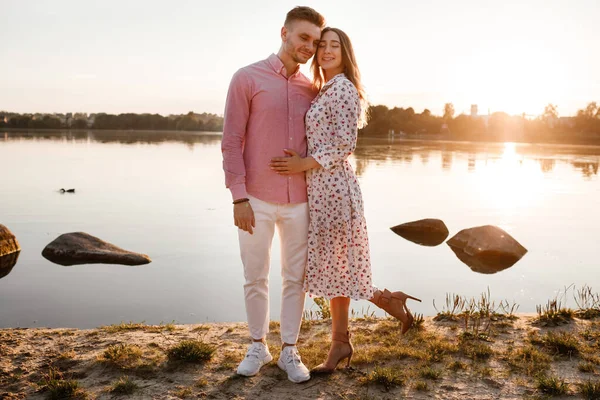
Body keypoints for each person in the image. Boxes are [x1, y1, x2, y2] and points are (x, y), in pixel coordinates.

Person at [269, 27, 421, 373]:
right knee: (336, 267)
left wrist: (302, 163)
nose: (325, 51)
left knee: (338, 266)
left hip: (336, 191)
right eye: (322, 46)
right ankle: (366, 320)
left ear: (345, 53)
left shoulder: (344, 89)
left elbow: (343, 144)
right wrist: (301, 157)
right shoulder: (325, 89)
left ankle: (347, 337)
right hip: (320, 189)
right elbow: (324, 138)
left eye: (334, 46)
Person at [221, 6, 325, 383]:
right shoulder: (247, 78)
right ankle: (257, 345)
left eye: (314, 41)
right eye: (303, 38)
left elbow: (327, 143)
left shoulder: (313, 89)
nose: (309, 47)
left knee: (294, 277)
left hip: (300, 201)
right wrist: (238, 197)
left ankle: (290, 351)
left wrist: (307, 164)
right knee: (255, 275)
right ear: (284, 33)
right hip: (256, 199)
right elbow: (231, 141)